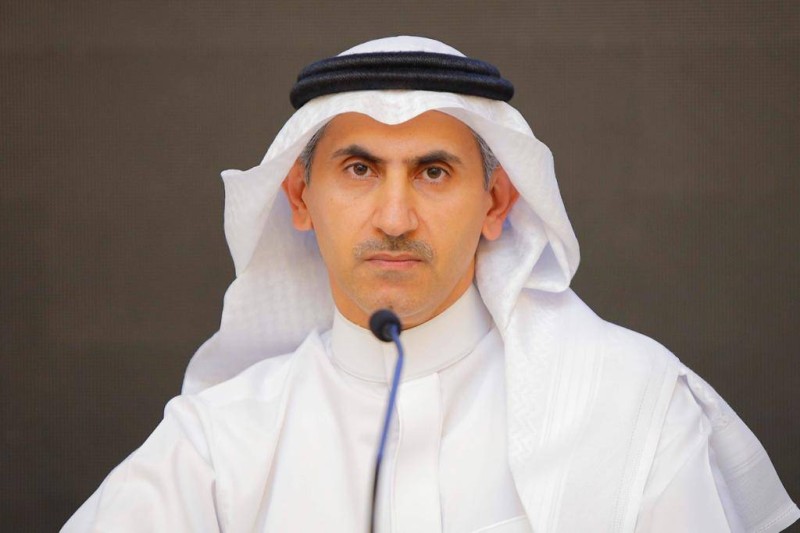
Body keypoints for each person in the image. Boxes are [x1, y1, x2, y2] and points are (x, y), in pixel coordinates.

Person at [63, 36, 798, 532]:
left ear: (496, 202)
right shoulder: (213, 447)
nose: (394, 217)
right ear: (299, 198)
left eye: (434, 172)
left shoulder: (634, 405)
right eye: (359, 169)